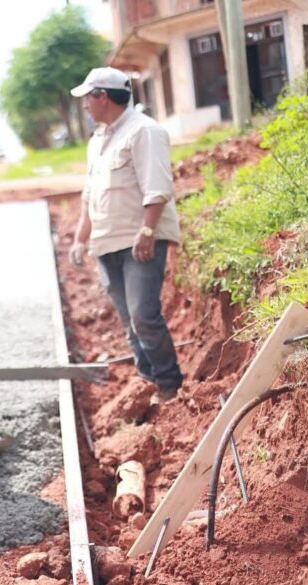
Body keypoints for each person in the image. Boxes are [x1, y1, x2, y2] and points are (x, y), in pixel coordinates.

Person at [68, 66, 184, 403]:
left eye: (87, 99)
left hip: (139, 243)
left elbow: (158, 188)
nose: (85, 106)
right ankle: (145, 383)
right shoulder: (98, 141)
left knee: (143, 315)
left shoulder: (144, 132)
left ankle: (168, 384)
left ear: (102, 96)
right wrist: (79, 238)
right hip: (105, 243)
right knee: (130, 322)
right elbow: (89, 196)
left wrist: (147, 231)